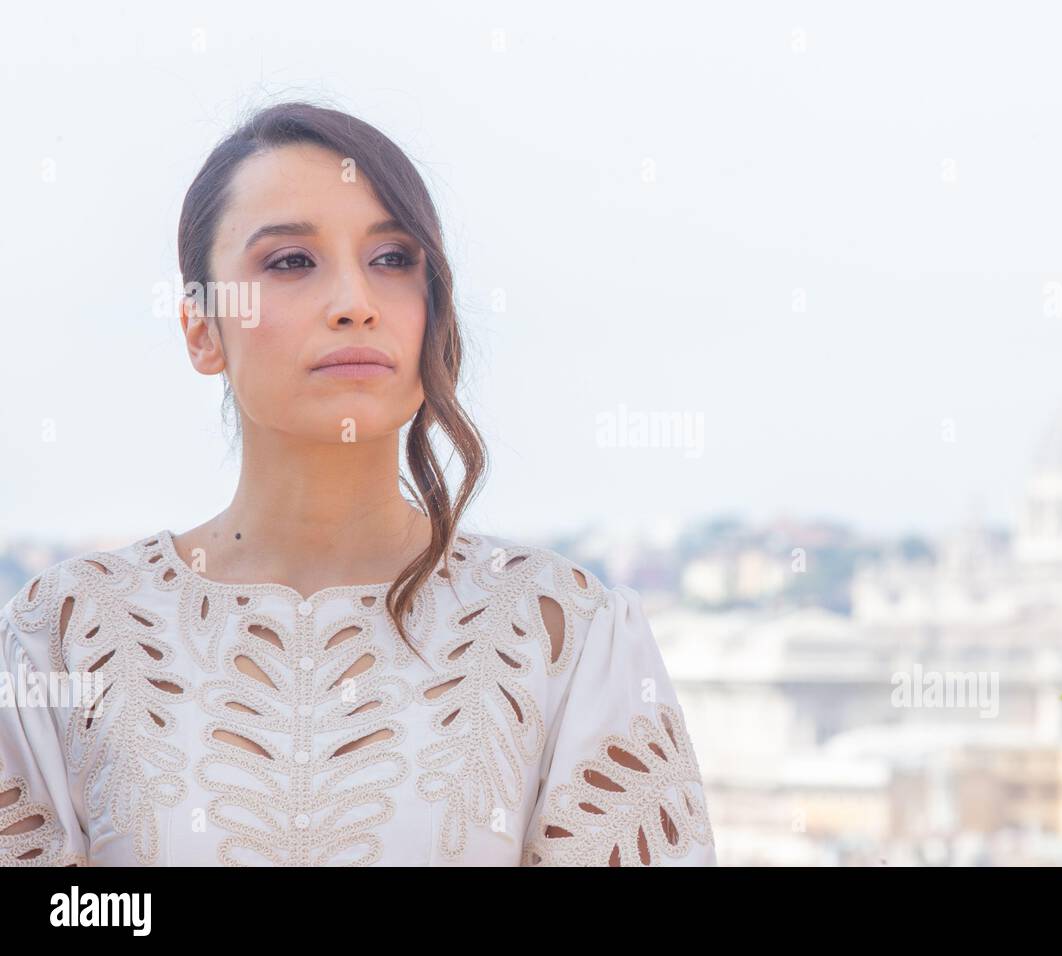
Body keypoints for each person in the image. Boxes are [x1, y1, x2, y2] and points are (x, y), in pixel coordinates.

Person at [0, 102, 716, 867]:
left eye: (392, 260)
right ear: (202, 331)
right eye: (290, 262)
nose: (355, 304)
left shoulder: (566, 638)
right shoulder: (64, 639)